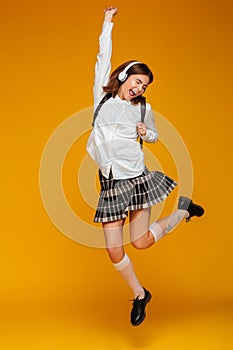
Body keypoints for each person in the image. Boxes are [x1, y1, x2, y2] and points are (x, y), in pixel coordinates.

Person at [86, 6, 204, 326]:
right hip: (111, 182)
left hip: (136, 179)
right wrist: (107, 23)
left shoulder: (144, 107)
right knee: (114, 250)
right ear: (125, 76)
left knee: (140, 242)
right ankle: (140, 294)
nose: (140, 88)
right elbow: (103, 58)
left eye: (145, 85)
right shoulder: (103, 97)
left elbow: (153, 135)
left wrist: (146, 132)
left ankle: (182, 210)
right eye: (138, 81)